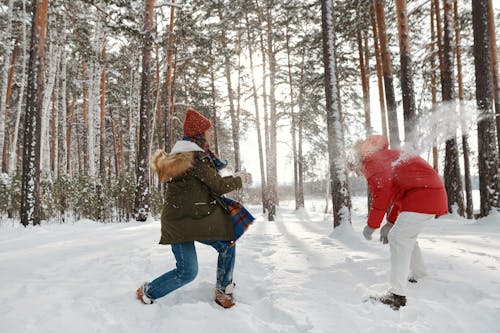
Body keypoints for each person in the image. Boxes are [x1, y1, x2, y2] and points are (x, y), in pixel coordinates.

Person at [137, 108, 253, 308]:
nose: (210, 134)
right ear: (200, 134)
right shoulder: (194, 158)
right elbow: (218, 186)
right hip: (181, 223)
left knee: (227, 244)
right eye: (207, 131)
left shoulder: (191, 156)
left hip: (190, 218)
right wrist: (240, 179)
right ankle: (147, 292)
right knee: (187, 272)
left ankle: (223, 290)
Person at [354, 135, 448, 310]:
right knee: (405, 236)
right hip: (426, 194)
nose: (359, 174)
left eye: (356, 170)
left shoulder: (372, 162)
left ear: (358, 160)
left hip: (423, 195)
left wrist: (372, 225)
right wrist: (390, 222)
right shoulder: (385, 157)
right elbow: (401, 192)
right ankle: (420, 276)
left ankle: (396, 295)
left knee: (399, 238)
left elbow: (381, 195)